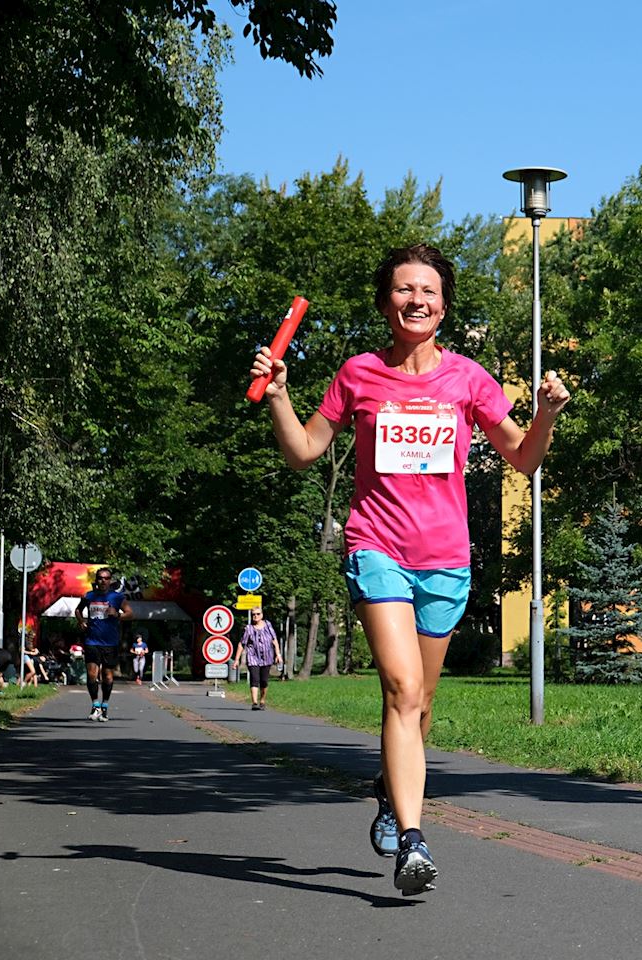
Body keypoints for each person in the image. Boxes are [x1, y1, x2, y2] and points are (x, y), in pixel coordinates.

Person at [249, 243, 570, 896]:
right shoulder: (359, 374)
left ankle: (388, 788)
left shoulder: (469, 380)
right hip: (378, 551)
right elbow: (305, 452)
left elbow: (523, 460)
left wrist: (547, 417)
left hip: (446, 561)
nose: (416, 300)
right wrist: (280, 395)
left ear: (443, 305)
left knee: (419, 707)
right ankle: (415, 842)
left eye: (427, 290)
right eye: (403, 289)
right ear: (385, 303)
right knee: (399, 689)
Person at [75, 568, 131, 721]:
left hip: (110, 643)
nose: (103, 581)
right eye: (100, 578)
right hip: (92, 641)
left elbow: (130, 613)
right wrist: (81, 622)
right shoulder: (89, 596)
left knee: (107, 676)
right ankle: (95, 705)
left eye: (106, 578)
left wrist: (118, 614)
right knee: (92, 674)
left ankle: (105, 706)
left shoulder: (117, 597)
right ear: (96, 580)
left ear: (110, 580)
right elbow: (78, 610)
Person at [233, 608, 281, 710]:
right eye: (253, 614)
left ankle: (262, 700)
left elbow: (274, 640)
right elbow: (242, 644)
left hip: (267, 657)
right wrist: (237, 659)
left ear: (262, 615)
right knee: (254, 679)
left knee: (264, 681)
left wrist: (278, 654)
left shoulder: (268, 625)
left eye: (258, 614)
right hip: (253, 657)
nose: (256, 616)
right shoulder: (248, 629)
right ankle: (254, 703)